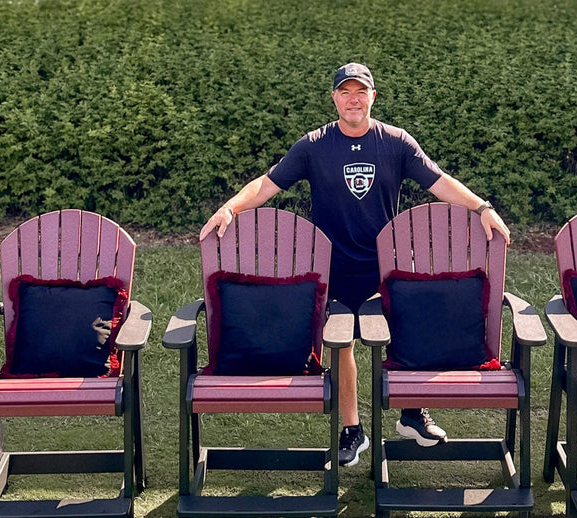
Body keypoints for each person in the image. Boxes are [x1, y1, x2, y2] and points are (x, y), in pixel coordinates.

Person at [200, 62, 511, 468]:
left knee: (408, 329)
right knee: (341, 343)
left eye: (360, 92)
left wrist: (481, 206)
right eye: (345, 92)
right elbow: (268, 183)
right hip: (334, 268)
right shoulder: (313, 145)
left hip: (386, 265)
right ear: (334, 98)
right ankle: (353, 430)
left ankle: (412, 415)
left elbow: (439, 180)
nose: (353, 99)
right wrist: (230, 207)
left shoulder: (396, 143)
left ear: (373, 97)